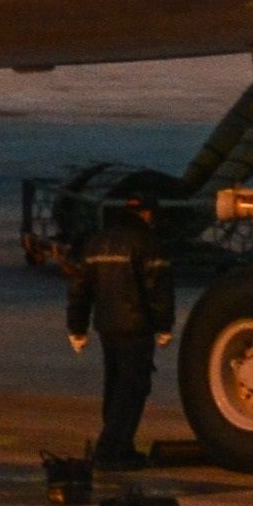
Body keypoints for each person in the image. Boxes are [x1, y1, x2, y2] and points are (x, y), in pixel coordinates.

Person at [66, 190, 173, 468]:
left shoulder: (97, 242)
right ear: (147, 213)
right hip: (136, 328)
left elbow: (79, 288)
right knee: (133, 389)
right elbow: (158, 288)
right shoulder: (147, 243)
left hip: (107, 327)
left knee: (114, 387)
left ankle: (120, 447)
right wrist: (164, 325)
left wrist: (77, 328)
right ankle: (111, 450)